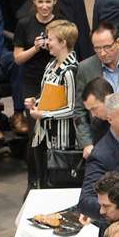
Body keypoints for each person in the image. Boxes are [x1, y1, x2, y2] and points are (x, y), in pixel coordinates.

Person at [21, 14, 90, 190]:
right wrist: (36, 101)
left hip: (62, 140)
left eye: (50, 39)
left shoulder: (70, 70)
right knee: (44, 180)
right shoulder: (51, 65)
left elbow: (73, 108)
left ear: (63, 42)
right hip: (44, 135)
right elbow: (49, 95)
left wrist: (44, 114)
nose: (46, 42)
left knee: (59, 184)